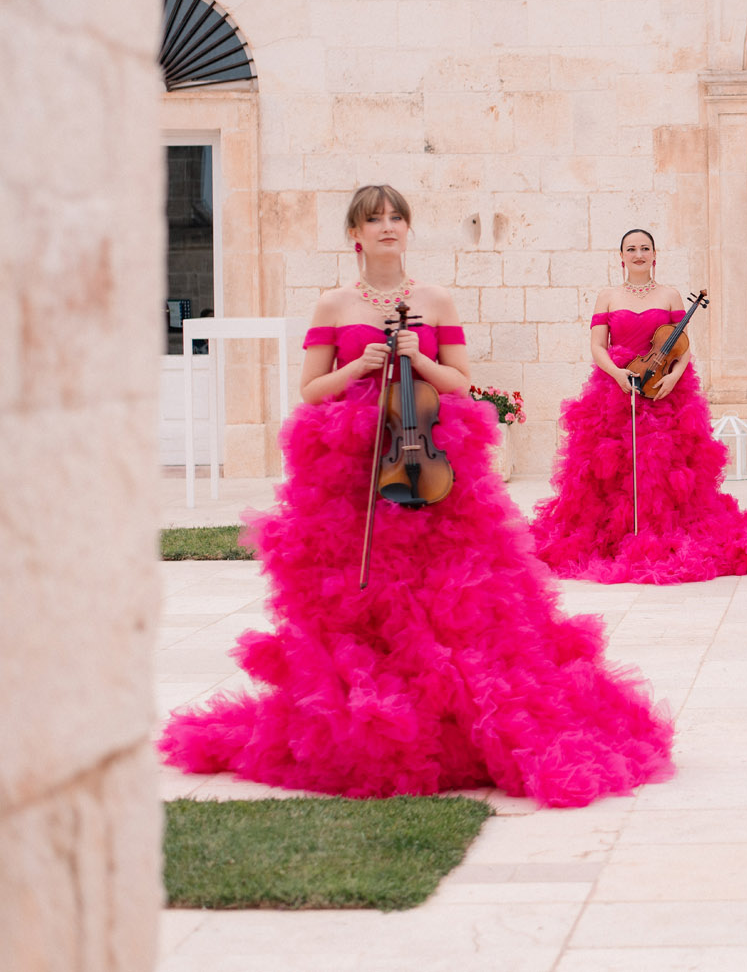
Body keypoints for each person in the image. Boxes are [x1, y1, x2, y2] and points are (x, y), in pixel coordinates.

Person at [159, 186, 673, 807]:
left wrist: (417, 360)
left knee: (452, 587)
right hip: (353, 464)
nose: (387, 226)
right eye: (374, 218)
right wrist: (359, 366)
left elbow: (459, 379)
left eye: (396, 217)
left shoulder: (434, 300)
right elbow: (311, 389)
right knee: (363, 585)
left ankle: (450, 705)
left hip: (429, 458)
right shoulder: (333, 304)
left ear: (407, 229)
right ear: (355, 233)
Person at [530, 228, 747, 583]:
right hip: (617, 390)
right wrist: (617, 374)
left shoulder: (670, 295)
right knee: (612, 465)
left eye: (645, 248)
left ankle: (658, 531)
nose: (639, 254)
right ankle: (618, 535)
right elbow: (598, 346)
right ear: (621, 256)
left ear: (654, 255)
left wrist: (674, 377)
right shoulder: (607, 297)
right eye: (632, 249)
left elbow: (681, 346)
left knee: (664, 466)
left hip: (663, 391)